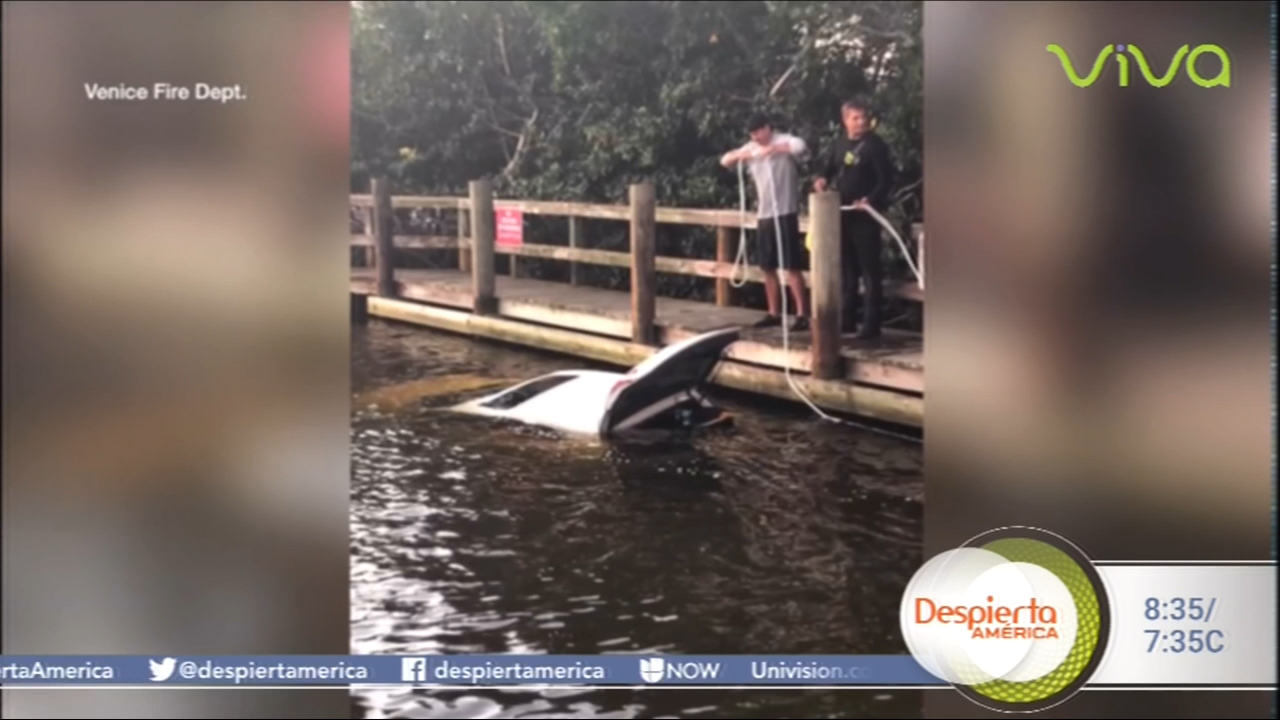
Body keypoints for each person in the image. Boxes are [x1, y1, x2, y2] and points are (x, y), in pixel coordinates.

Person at [814, 98, 895, 338]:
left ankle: (871, 325)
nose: (861, 122)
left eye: (864, 118)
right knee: (848, 269)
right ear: (845, 121)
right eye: (855, 118)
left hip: (866, 215)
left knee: (870, 270)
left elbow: (886, 179)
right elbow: (828, 167)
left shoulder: (875, 145)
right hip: (843, 214)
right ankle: (847, 319)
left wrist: (870, 200)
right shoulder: (839, 144)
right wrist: (821, 179)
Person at [720, 113, 811, 330]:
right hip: (765, 215)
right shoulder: (751, 147)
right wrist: (740, 154)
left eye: (759, 131)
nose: (756, 137)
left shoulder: (783, 140)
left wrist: (774, 150)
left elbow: (800, 146)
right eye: (752, 134)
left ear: (768, 128)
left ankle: (802, 314)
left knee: (792, 266)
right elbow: (724, 161)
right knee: (767, 266)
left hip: (786, 212)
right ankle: (773, 313)